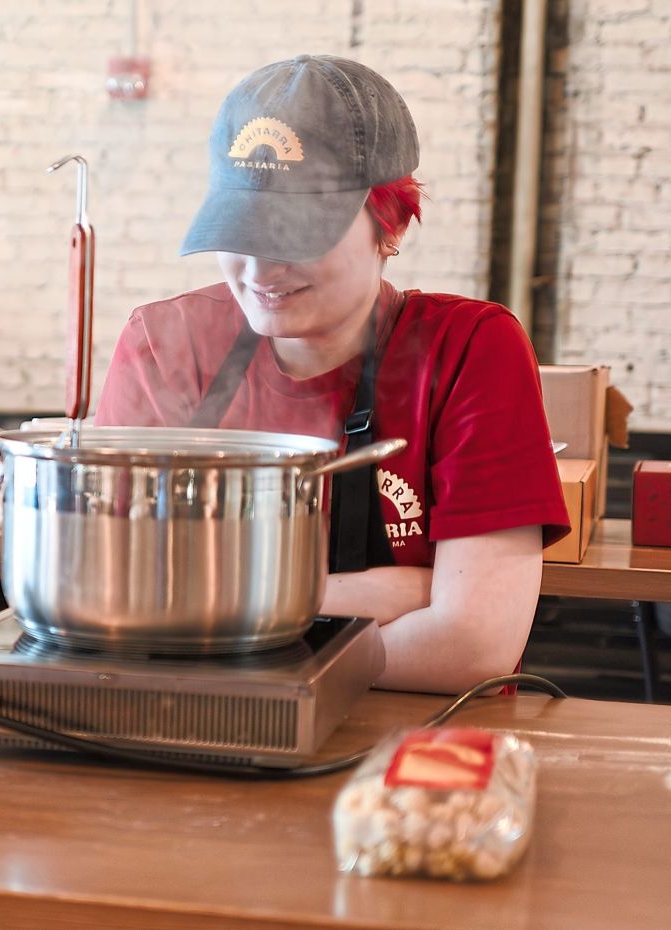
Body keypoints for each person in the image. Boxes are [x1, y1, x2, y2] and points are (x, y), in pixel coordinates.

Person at [94, 55, 570, 694]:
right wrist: (391, 593)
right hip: (198, 724)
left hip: (416, 756)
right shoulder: (165, 344)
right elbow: (121, 598)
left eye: (297, 233)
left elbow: (473, 646)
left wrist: (221, 618)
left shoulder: (467, 352)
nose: (261, 272)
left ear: (390, 222)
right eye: (242, 230)